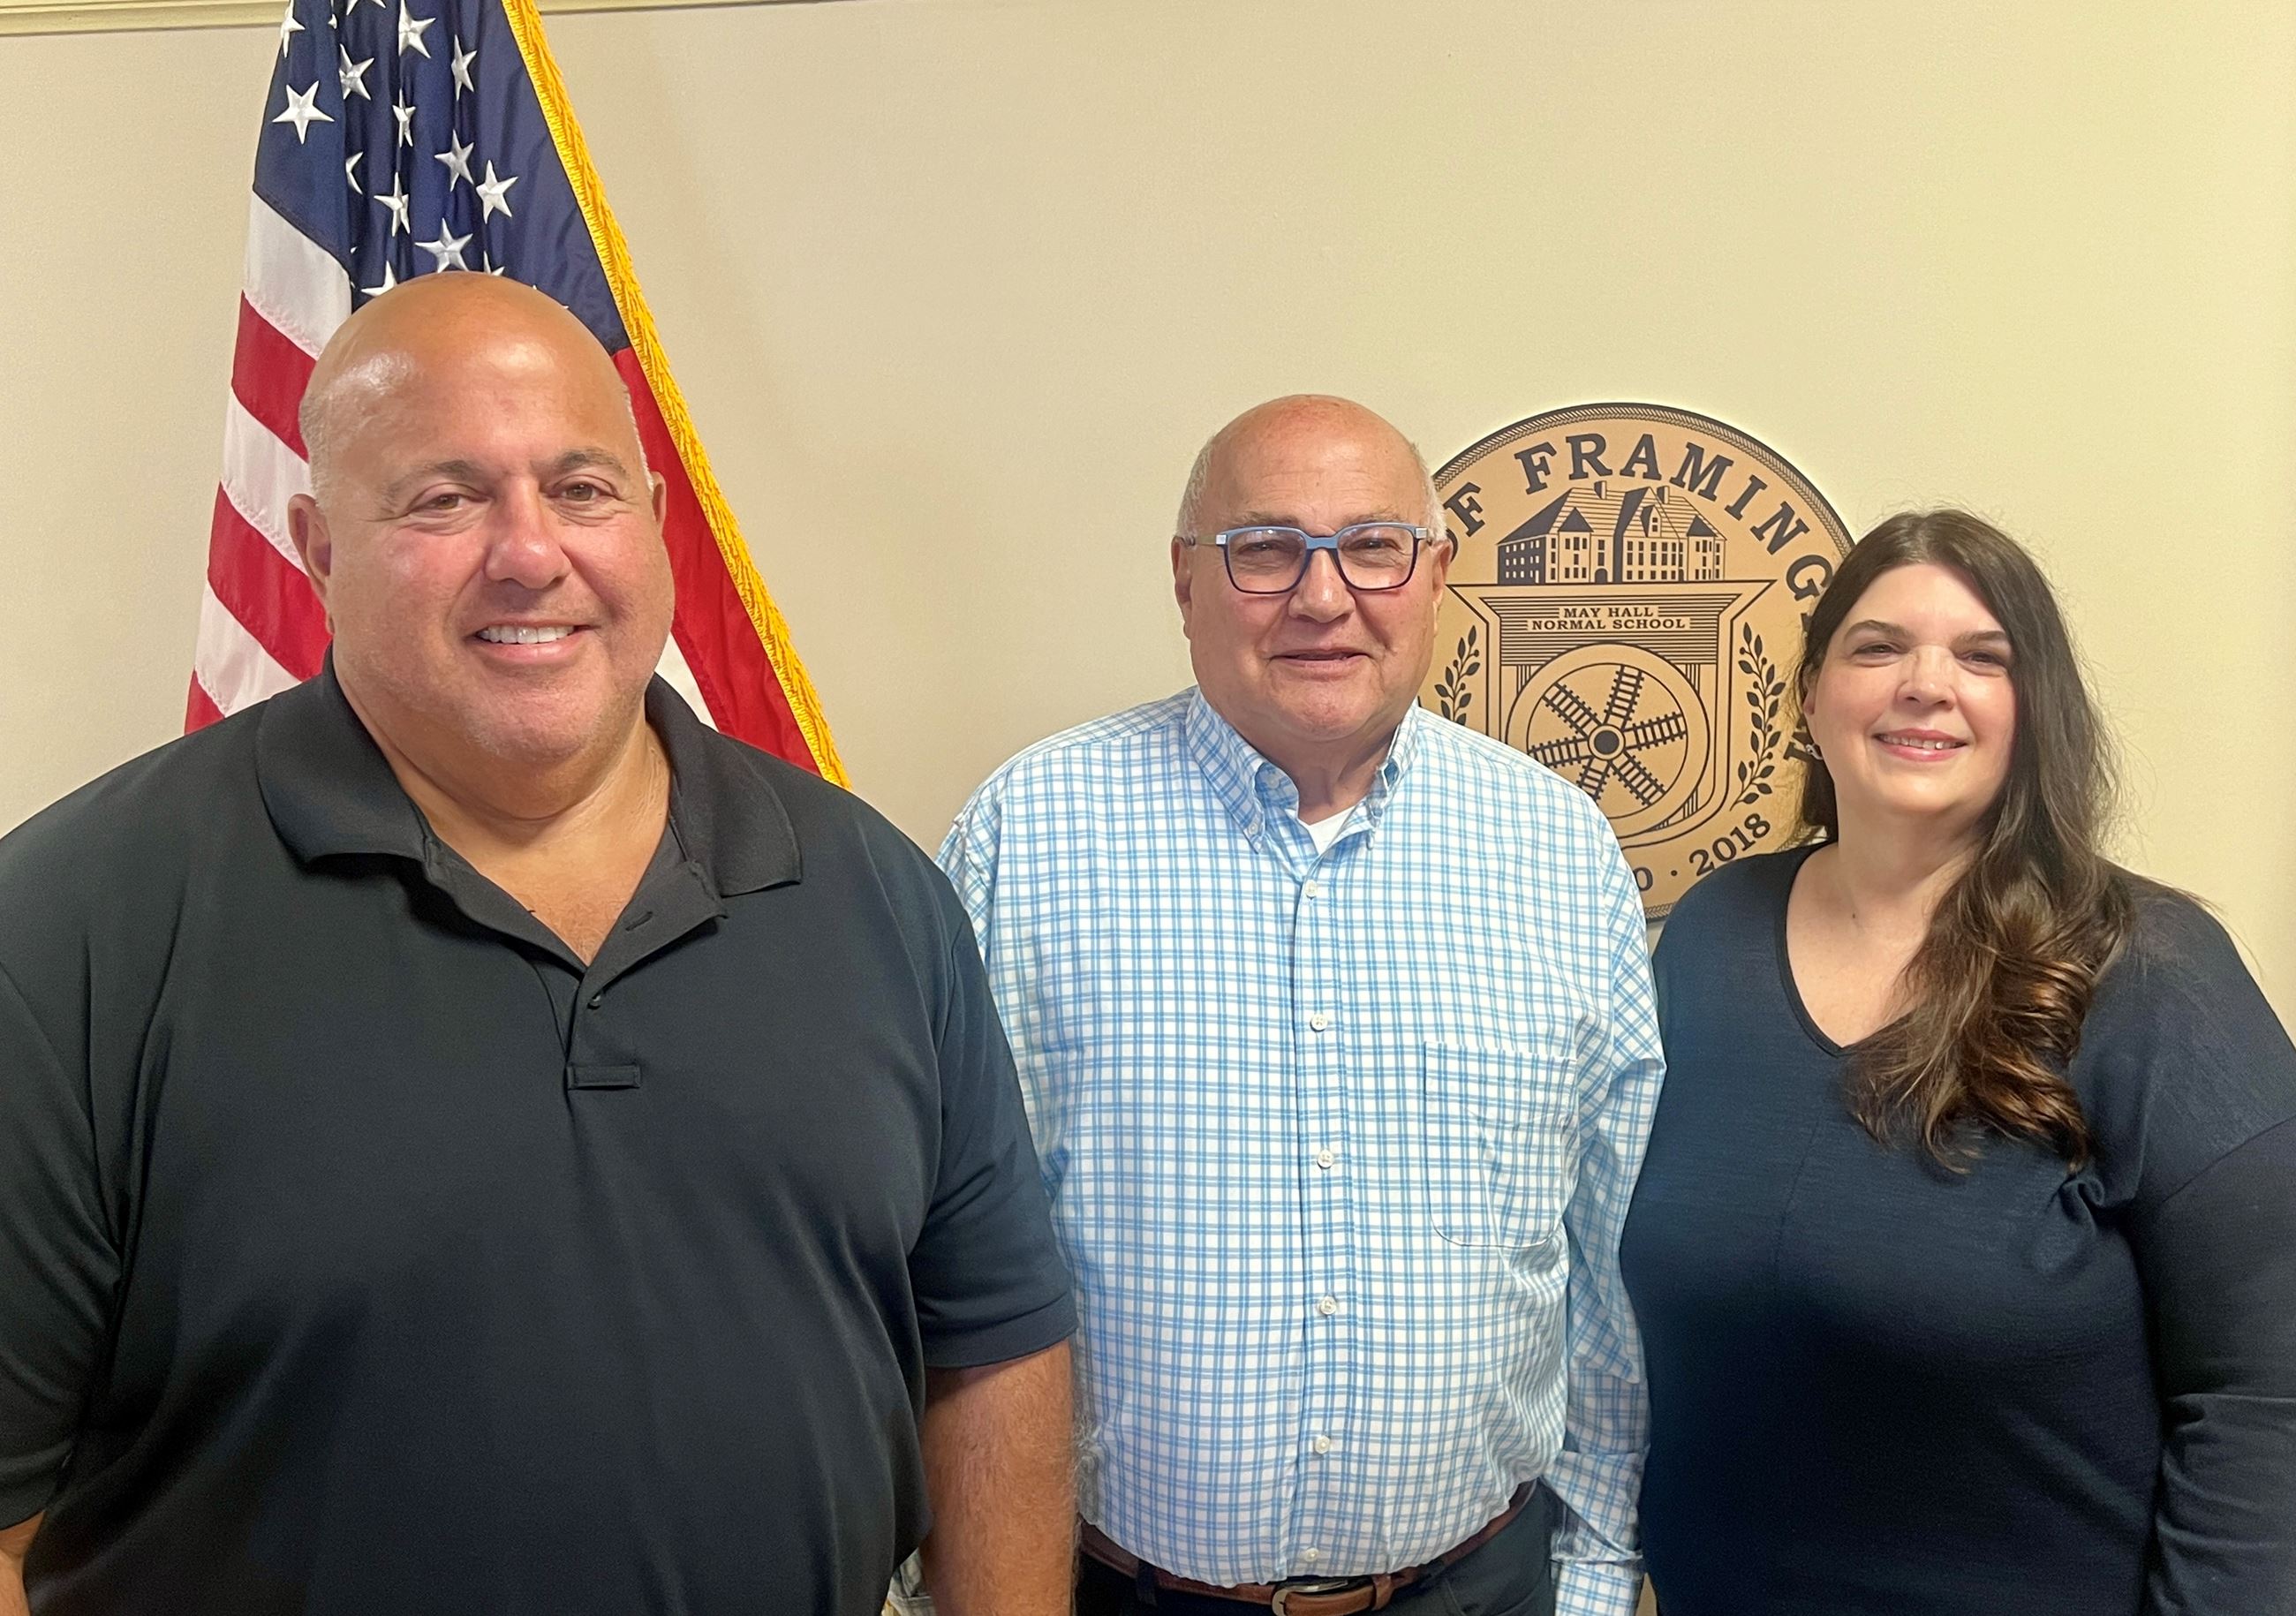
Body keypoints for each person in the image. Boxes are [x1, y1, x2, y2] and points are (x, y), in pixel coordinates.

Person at [0, 274, 1076, 1616]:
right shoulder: (74, 924)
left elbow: (991, 1347)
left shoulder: (872, 890)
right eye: (444, 498)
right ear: (318, 548)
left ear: (654, 523)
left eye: (581, 488)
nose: (529, 552)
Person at [940, 395, 1665, 1616]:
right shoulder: (1029, 833)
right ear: (1185, 582)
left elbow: (1610, 1255)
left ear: (1436, 575)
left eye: (1374, 545)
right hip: (1119, 1593)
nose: (1324, 597)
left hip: (1476, 1588)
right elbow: (942, 1251)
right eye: (1265, 548)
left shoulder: (1557, 848)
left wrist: (1594, 1577)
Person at [1619, 510, 2296, 1614]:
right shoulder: (1711, 934)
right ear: (1805, 698)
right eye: (1876, 647)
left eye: (1982, 656)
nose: (1924, 684)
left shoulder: (2150, 973)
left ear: (2031, 714)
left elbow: (2266, 1392)